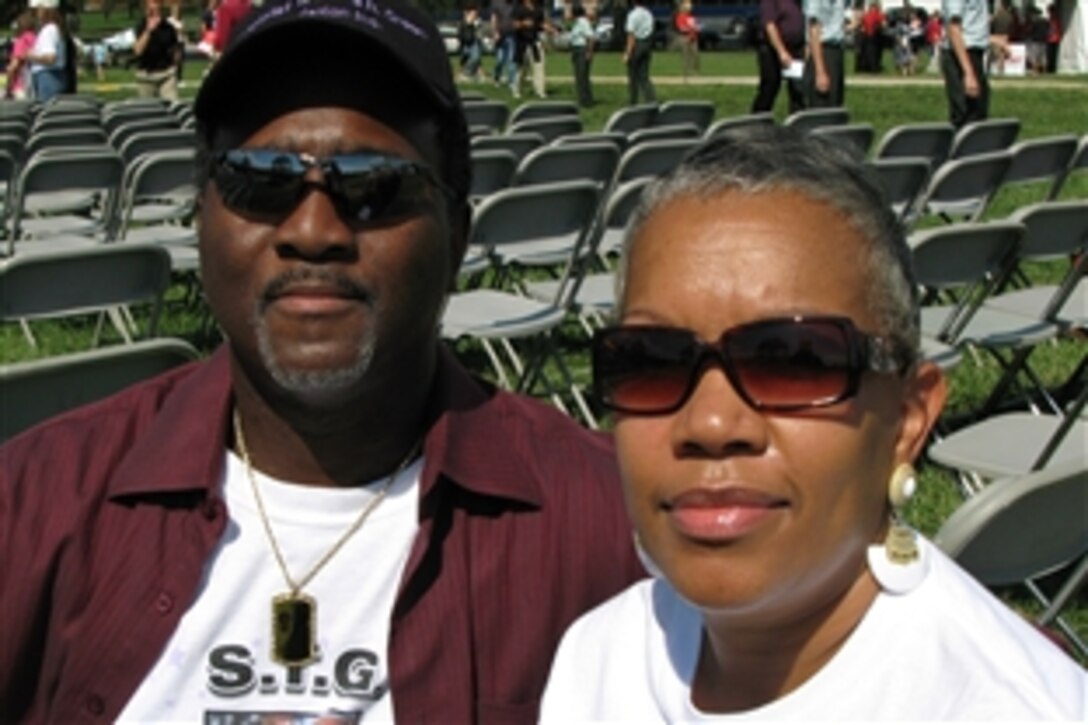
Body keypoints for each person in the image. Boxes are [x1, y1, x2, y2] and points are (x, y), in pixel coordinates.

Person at [0, 0, 643, 721]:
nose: (313, 230)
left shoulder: (611, 534)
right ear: (202, 217)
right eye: (260, 179)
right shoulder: (31, 505)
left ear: (457, 235)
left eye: (375, 187)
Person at [539, 125, 1088, 721]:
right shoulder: (596, 659)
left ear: (907, 418)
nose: (712, 421)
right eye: (651, 361)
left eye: (794, 361)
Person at [751, 0, 805, 114]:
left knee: (798, 89)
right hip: (772, 49)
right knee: (770, 86)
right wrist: (782, 51)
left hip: (796, 48)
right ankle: (758, 119)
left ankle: (796, 122)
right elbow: (770, 25)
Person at [941, 0, 990, 128]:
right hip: (961, 55)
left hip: (973, 53)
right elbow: (954, 29)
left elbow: (971, 25)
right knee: (965, 117)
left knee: (979, 115)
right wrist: (968, 73)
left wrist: (993, 40)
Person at [132, 0, 181, 100]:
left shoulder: (169, 28)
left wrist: (176, 67)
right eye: (153, 4)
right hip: (146, 77)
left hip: (166, 75)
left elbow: (175, 50)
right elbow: (138, 51)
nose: (156, 8)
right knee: (148, 110)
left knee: (172, 105)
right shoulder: (140, 26)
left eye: (158, 4)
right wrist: (149, 30)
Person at [24, 0, 70, 102]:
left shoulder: (49, 30)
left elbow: (50, 58)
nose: (35, 13)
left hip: (48, 76)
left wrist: (31, 56)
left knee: (46, 110)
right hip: (54, 76)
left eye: (37, 9)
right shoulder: (55, 28)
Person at [803, 0, 846, 108]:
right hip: (823, 51)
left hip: (836, 50)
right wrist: (820, 71)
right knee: (823, 104)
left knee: (835, 103)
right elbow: (813, 30)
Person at [624, 0, 657, 105]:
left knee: (633, 76)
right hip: (647, 44)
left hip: (636, 45)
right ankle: (651, 100)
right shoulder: (649, 14)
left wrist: (627, 53)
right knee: (644, 76)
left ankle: (633, 101)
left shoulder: (633, 15)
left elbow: (631, 36)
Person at [3, 10, 37, 100]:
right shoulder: (37, 38)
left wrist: (8, 89)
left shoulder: (22, 40)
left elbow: (13, 67)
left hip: (20, 86)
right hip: (35, 84)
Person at [568, 3, 595, 108]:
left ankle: (586, 101)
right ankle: (583, 99)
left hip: (582, 50)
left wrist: (589, 52)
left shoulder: (583, 22)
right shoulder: (576, 23)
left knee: (582, 76)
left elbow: (590, 38)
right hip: (576, 50)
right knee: (579, 77)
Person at [491, 0, 518, 91]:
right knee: (500, 60)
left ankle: (512, 82)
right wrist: (495, 32)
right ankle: (496, 77)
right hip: (500, 35)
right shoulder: (496, 3)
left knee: (512, 60)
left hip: (512, 35)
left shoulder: (515, 3)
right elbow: (494, 18)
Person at [674, 0, 700, 82]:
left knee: (695, 55)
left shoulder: (691, 16)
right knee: (686, 56)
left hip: (693, 38)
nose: (690, 7)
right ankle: (685, 74)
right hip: (685, 38)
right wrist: (690, 29)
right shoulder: (680, 16)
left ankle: (694, 71)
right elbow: (681, 28)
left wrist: (696, 29)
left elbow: (695, 26)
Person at [457, 3, 484, 82]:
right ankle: (466, 73)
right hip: (465, 44)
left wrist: (475, 25)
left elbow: (479, 32)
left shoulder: (475, 23)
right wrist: (468, 24)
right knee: (466, 60)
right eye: (473, 13)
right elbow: (461, 34)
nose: (475, 15)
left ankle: (468, 73)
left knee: (475, 58)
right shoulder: (463, 23)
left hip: (473, 43)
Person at [1046, 2, 1061, 74]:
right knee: (1051, 55)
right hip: (1053, 39)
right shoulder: (1053, 19)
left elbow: (1053, 29)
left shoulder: (1054, 19)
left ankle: (1051, 68)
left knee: (1052, 55)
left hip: (1053, 39)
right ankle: (1051, 68)